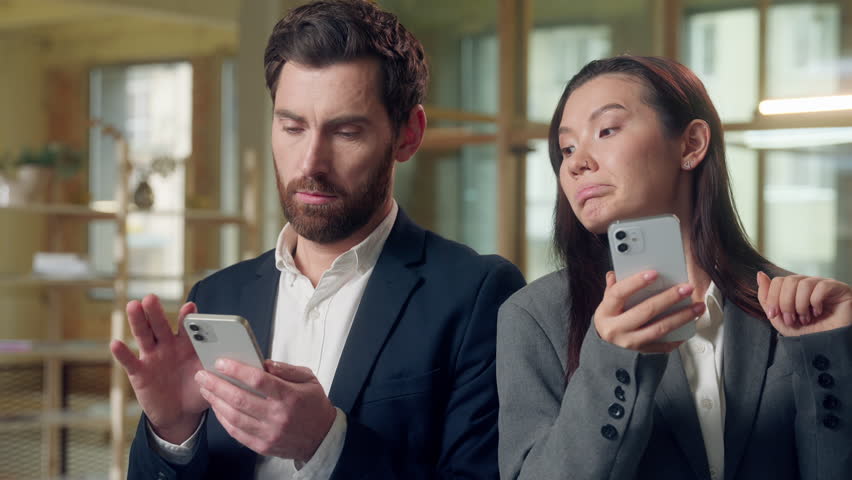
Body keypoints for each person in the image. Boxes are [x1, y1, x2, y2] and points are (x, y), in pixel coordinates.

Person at [111, 1, 525, 478]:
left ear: (408, 135)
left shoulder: (478, 294)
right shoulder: (215, 296)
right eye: (292, 127)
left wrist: (326, 443)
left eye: (346, 132)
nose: (310, 162)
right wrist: (173, 432)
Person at [496, 55, 851, 480]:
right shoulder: (534, 316)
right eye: (567, 147)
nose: (575, 163)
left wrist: (829, 352)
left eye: (606, 130)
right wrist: (615, 356)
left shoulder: (792, 306)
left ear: (691, 144)